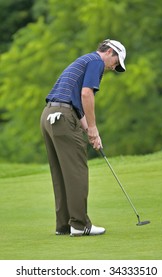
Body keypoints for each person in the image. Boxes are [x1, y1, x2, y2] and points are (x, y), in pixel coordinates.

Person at [40, 39, 126, 237]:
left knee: (61, 172)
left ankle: (63, 225)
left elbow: (76, 104)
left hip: (49, 115)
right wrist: (94, 127)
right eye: (116, 62)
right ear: (110, 52)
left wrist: (91, 133)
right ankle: (79, 224)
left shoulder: (84, 61)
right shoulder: (96, 62)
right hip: (63, 117)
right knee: (76, 171)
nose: (114, 67)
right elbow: (86, 94)